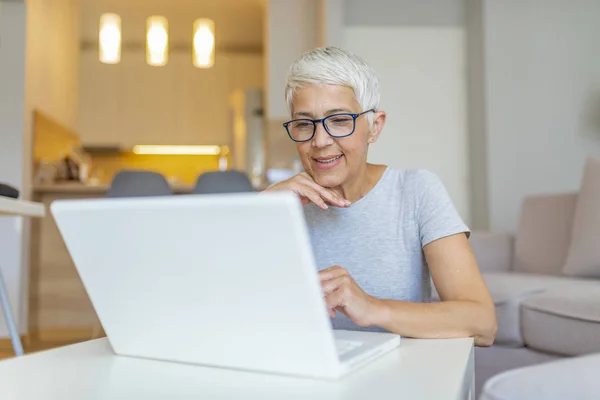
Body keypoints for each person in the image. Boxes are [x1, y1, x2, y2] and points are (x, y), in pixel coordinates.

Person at [264, 46, 497, 347]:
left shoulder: (416, 191)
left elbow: (482, 323)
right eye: (304, 124)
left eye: (339, 120)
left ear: (374, 127)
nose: (320, 141)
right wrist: (255, 213)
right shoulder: (275, 205)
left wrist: (372, 307)